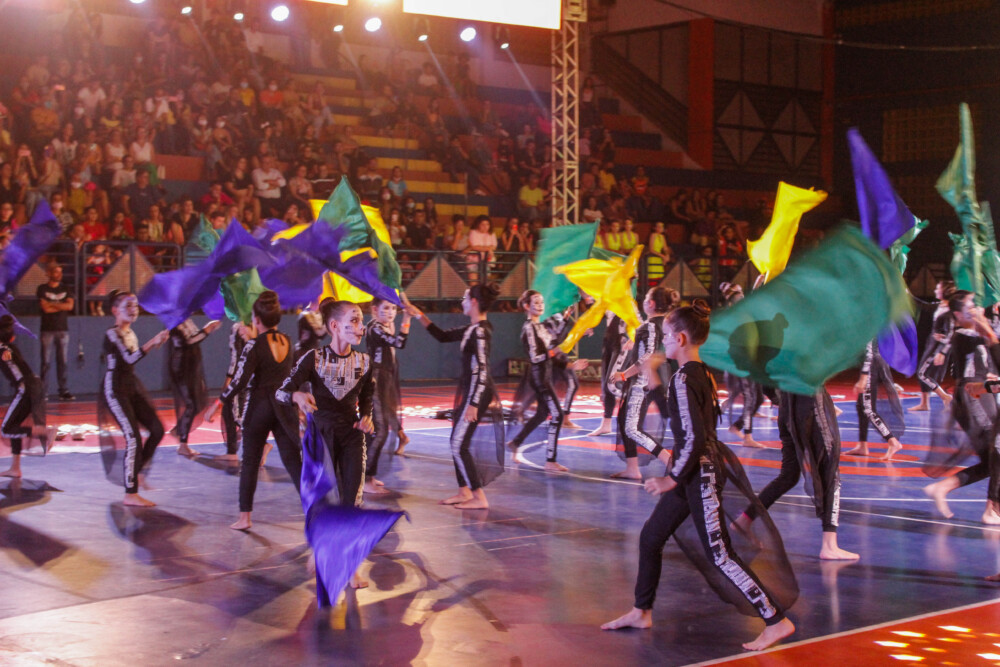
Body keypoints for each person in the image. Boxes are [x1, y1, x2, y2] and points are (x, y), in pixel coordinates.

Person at [601, 301, 796, 651]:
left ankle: (775, 619)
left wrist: (671, 478)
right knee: (651, 537)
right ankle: (641, 611)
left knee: (720, 554)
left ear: (679, 338)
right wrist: (654, 378)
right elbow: (679, 418)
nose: (663, 343)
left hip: (699, 473)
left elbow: (693, 436)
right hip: (695, 469)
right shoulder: (698, 372)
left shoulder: (685, 377)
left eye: (666, 337)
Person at [278, 300, 376, 591]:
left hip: (352, 437)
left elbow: (367, 397)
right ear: (334, 326)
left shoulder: (365, 362)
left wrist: (367, 417)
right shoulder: (314, 358)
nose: (361, 327)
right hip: (320, 437)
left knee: (352, 501)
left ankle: (350, 565)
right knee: (323, 500)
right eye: (354, 321)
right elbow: (282, 391)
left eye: (361, 321)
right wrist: (297, 396)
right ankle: (320, 547)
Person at [734, 385, 859, 560]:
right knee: (830, 471)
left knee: (789, 476)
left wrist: (780, 399)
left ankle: (744, 520)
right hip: (811, 404)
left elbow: (763, 379)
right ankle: (830, 545)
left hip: (788, 409)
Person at [408, 285, 505, 509]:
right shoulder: (473, 329)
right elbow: (442, 336)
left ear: (474, 302)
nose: (462, 301)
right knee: (456, 441)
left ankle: (479, 497)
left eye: (465, 298)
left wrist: (474, 403)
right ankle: (464, 491)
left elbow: (482, 369)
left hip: (477, 391)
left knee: (459, 444)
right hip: (472, 389)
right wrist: (418, 314)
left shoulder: (480, 332)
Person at [220, 291, 303, 531]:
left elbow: (239, 380)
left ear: (256, 320)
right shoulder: (288, 340)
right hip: (283, 405)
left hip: (259, 406)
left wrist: (219, 402)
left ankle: (245, 517)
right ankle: (315, 510)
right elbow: (292, 375)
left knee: (250, 461)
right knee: (292, 460)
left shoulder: (253, 345)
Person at [923, 291, 1000, 525]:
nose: (976, 308)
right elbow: (991, 341)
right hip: (973, 397)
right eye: (971, 305)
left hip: (980, 393)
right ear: (958, 314)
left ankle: (944, 487)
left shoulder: (973, 333)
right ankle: (991, 510)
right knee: (997, 453)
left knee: (992, 461)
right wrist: (988, 321)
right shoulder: (964, 335)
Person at [98, 291, 169, 507]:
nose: (133, 310)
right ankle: (130, 494)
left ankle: (137, 472)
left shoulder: (130, 333)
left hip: (130, 386)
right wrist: (153, 342)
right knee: (133, 438)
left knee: (157, 429)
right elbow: (129, 358)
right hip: (115, 389)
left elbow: (132, 359)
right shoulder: (112, 333)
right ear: (114, 310)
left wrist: (156, 342)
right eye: (127, 306)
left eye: (135, 306)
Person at [613, 287, 678, 480]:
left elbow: (649, 355)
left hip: (643, 382)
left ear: (651, 303)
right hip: (659, 379)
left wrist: (624, 374)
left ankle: (667, 459)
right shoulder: (666, 324)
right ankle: (632, 467)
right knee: (624, 418)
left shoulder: (649, 326)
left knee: (631, 428)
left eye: (647, 297)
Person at [506, 291, 573, 472]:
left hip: (545, 374)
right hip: (540, 377)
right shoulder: (529, 328)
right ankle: (550, 460)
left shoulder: (540, 326)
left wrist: (567, 318)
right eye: (536, 302)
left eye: (542, 302)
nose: (540, 305)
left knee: (542, 414)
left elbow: (554, 337)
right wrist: (554, 351)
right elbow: (536, 357)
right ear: (527, 306)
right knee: (557, 415)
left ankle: (516, 442)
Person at [364, 298, 412, 492]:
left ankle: (366, 475)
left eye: (393, 308)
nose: (391, 312)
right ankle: (366, 478)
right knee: (380, 430)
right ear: (375, 309)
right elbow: (399, 342)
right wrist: (406, 319)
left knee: (376, 428)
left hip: (384, 377)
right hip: (377, 378)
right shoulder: (376, 328)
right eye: (386, 308)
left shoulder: (381, 326)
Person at [0, 315, 52, 478]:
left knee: (7, 428)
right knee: (14, 425)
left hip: (26, 388)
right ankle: (15, 468)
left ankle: (43, 432)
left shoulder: (3, 349)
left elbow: (5, 354)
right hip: (33, 385)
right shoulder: (10, 347)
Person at [168, 318, 221, 458]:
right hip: (182, 367)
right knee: (191, 405)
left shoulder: (186, 319)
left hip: (191, 365)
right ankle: (183, 444)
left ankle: (179, 431)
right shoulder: (174, 320)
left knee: (198, 403)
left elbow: (195, 336)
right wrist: (207, 329)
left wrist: (208, 329)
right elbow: (190, 340)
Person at [846, 340, 905, 461]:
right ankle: (862, 445)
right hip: (872, 364)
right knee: (861, 406)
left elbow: (869, 351)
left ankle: (893, 441)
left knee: (868, 409)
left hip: (870, 366)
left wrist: (864, 377)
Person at [911, 280, 956, 411]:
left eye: (938, 288)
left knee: (922, 374)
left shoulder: (949, 310)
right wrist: (907, 294)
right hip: (931, 343)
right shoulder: (940, 305)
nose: (935, 290)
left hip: (938, 346)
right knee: (923, 371)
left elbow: (950, 332)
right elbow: (924, 306)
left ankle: (945, 396)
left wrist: (942, 352)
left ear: (945, 292)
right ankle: (925, 403)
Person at [37, 263, 74, 400]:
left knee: (63, 362)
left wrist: (52, 304)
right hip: (47, 329)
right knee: (45, 362)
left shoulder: (66, 288)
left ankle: (63, 391)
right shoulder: (42, 288)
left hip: (62, 329)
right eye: (56, 272)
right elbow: (45, 309)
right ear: (49, 273)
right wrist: (61, 305)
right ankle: (43, 391)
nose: (59, 274)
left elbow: (69, 306)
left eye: (60, 272)